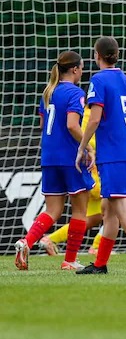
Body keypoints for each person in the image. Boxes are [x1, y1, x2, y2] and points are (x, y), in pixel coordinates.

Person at [74, 36, 126, 274]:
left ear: (96, 55)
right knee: (108, 209)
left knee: (121, 206)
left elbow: (96, 117)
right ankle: (100, 264)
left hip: (112, 153)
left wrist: (82, 145)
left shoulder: (98, 80)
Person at [14, 51, 94, 271]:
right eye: (82, 68)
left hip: (49, 156)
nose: (82, 72)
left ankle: (26, 242)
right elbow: (71, 125)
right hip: (70, 157)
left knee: (53, 210)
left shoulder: (48, 92)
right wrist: (87, 146)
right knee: (80, 210)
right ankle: (69, 260)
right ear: (75, 69)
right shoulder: (76, 92)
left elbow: (43, 124)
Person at [39, 105, 105, 257]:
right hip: (93, 170)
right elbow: (90, 141)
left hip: (87, 167)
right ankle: (95, 247)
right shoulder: (91, 116)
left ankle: (50, 239)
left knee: (97, 215)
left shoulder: (85, 114)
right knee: (114, 209)